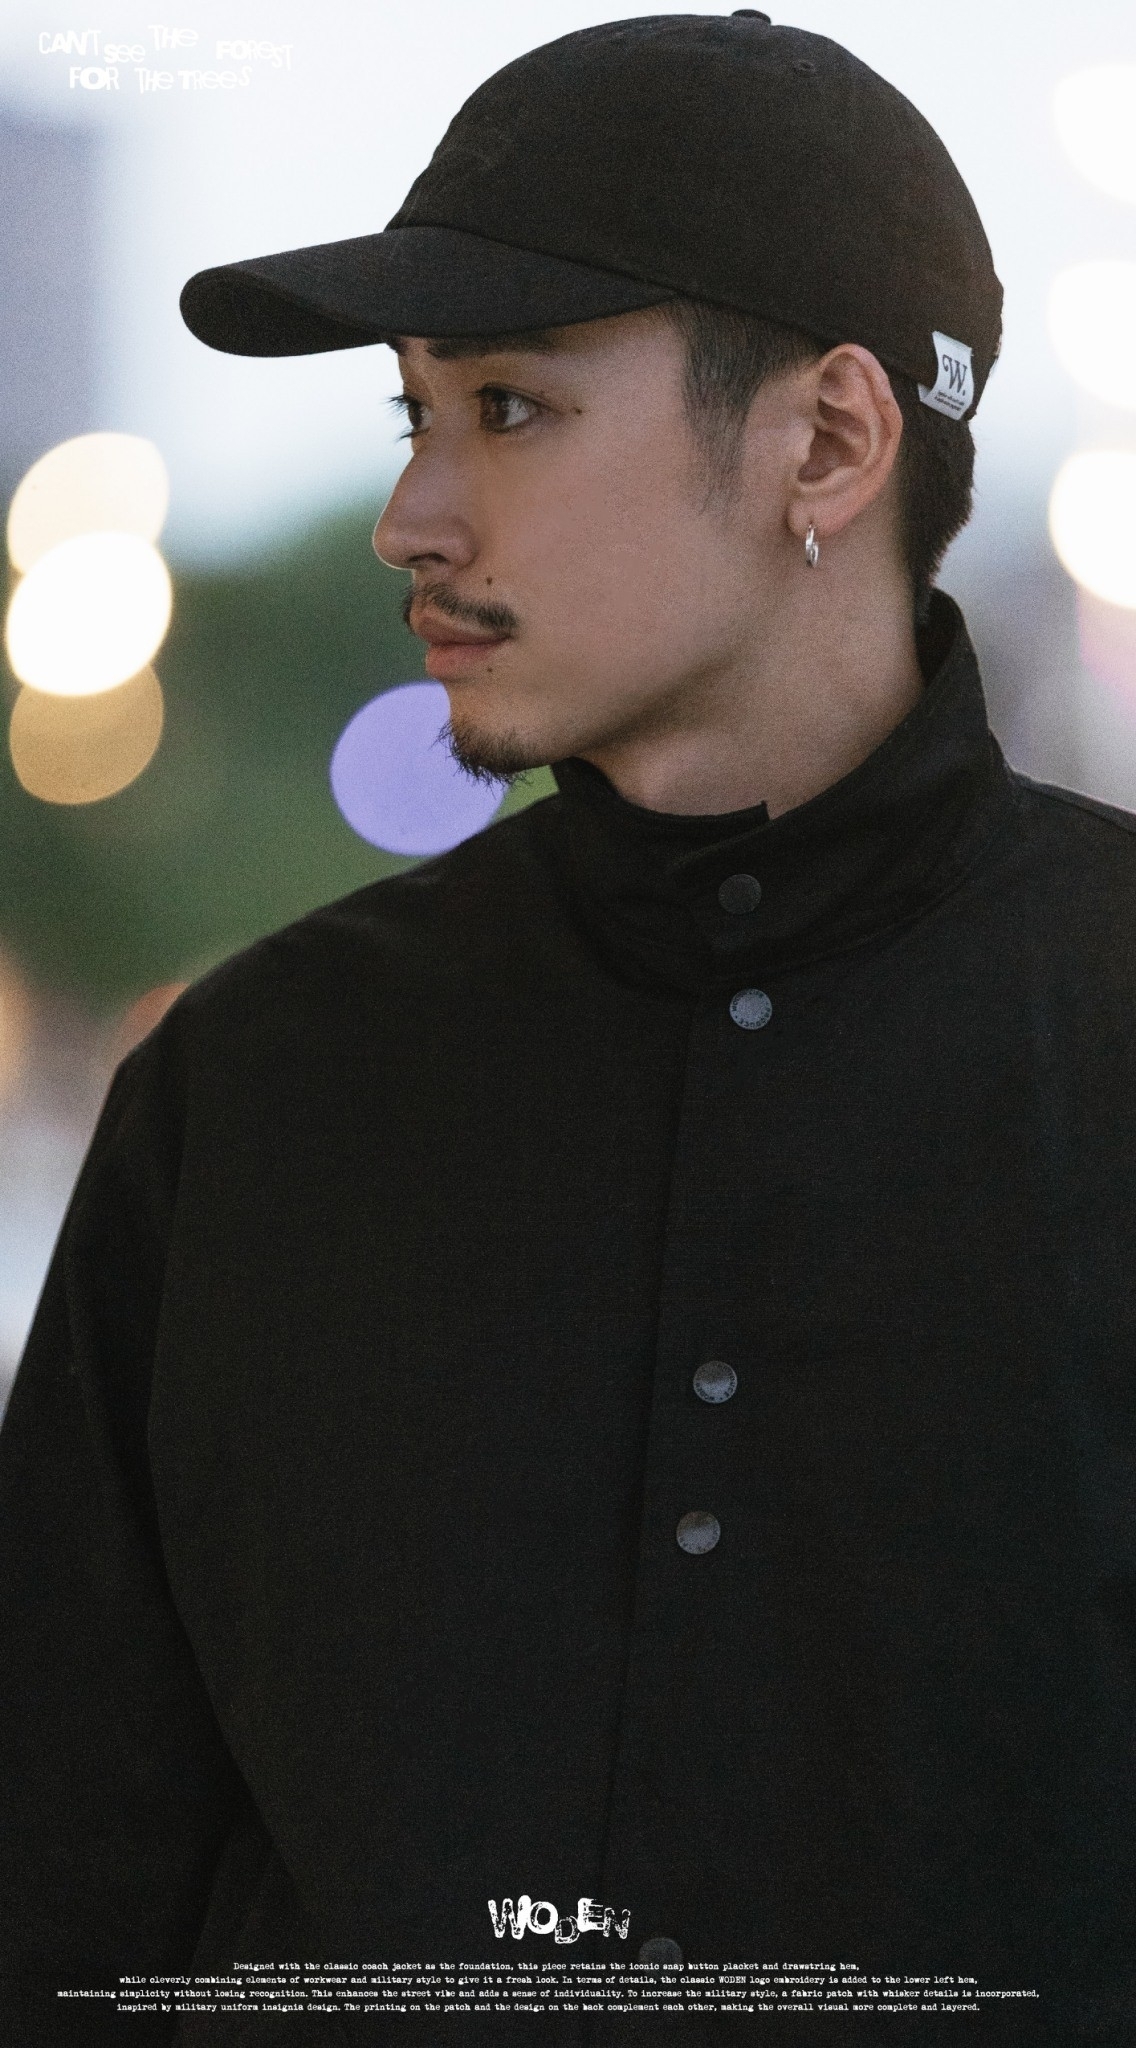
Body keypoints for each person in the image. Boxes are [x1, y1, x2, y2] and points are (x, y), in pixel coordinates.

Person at [1, 13, 1132, 2046]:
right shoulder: (254, 1092)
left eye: (508, 408)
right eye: (411, 414)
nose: (412, 517)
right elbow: (63, 1871)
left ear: (828, 443)